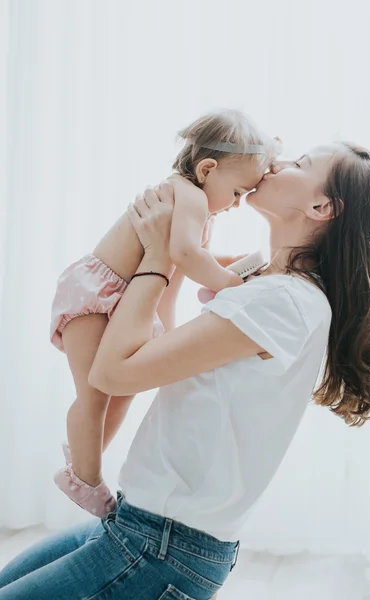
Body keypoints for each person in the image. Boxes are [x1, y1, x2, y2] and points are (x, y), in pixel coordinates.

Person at [1, 142, 370, 599]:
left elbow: (111, 374)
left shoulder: (284, 302)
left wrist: (154, 258)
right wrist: (171, 255)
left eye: (301, 164)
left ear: (320, 206)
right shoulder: (267, 283)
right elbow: (155, 353)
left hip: (163, 548)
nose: (279, 163)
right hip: (140, 525)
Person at [50, 110, 280, 517]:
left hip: (121, 299)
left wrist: (232, 265)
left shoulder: (197, 204)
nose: (237, 205)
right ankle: (83, 479)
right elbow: (185, 255)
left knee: (120, 392)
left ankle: (84, 448)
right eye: (238, 193)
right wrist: (230, 283)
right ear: (207, 169)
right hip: (95, 294)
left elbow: (193, 257)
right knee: (93, 393)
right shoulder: (188, 195)